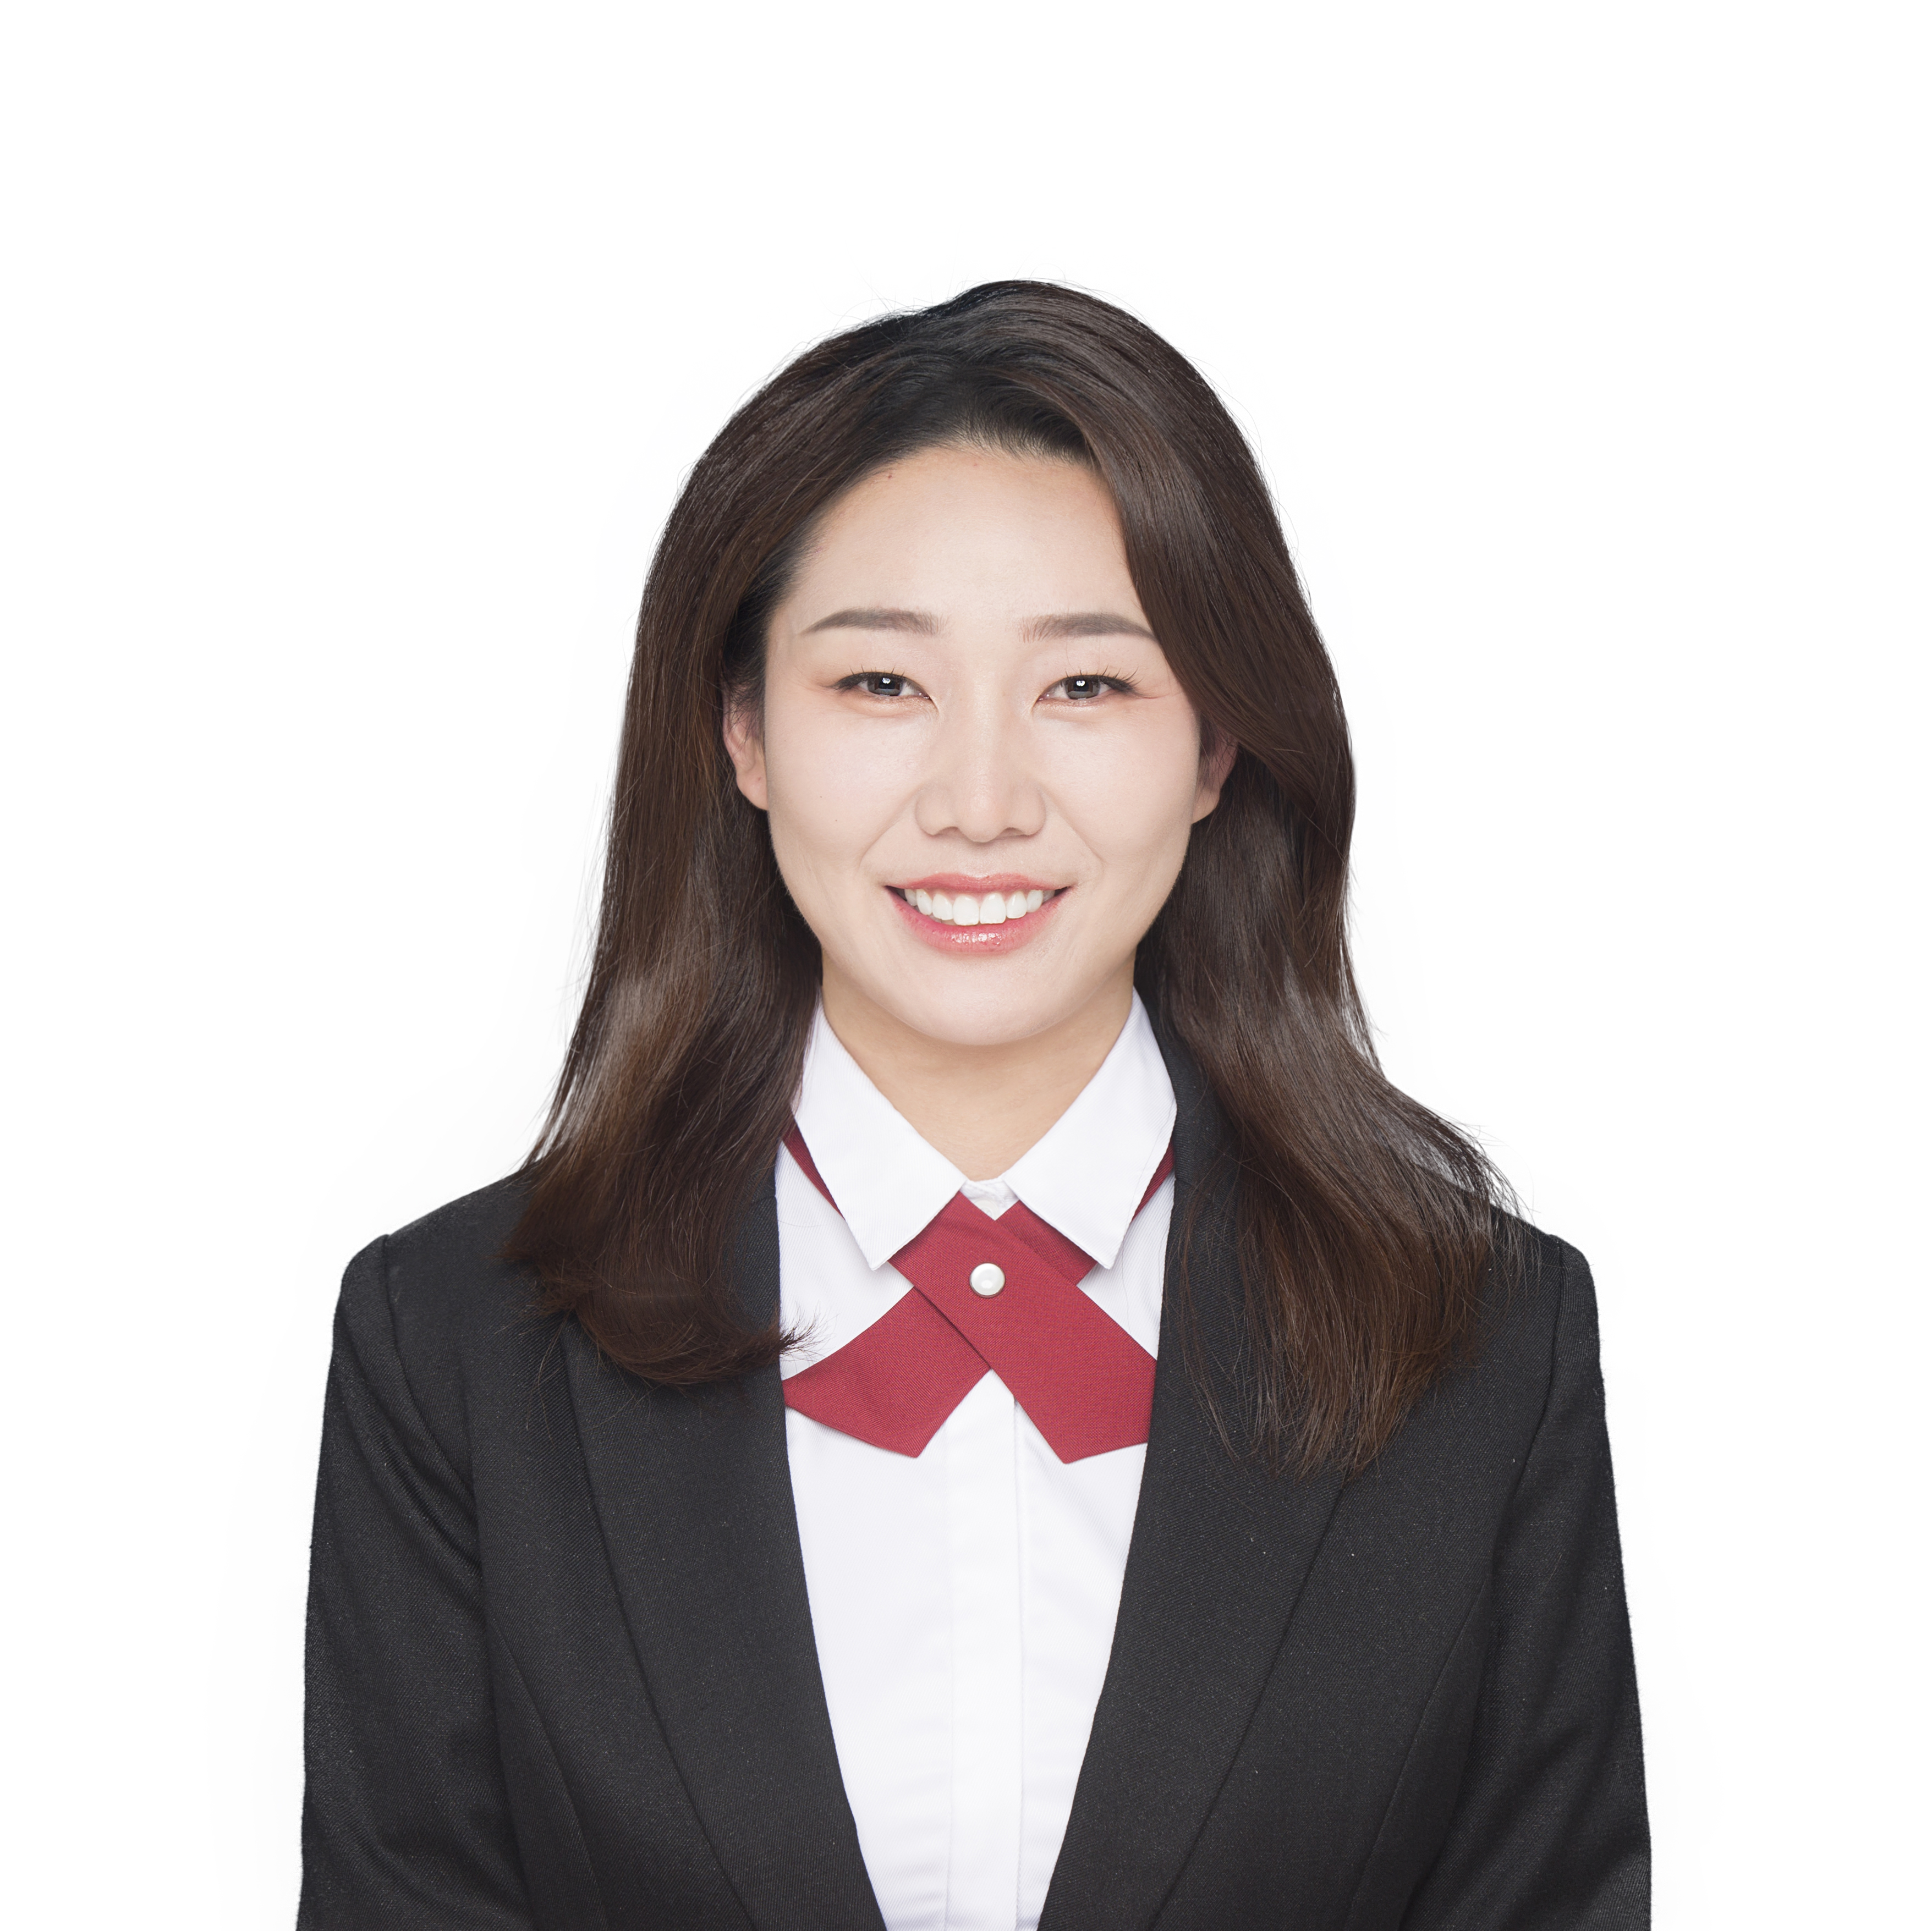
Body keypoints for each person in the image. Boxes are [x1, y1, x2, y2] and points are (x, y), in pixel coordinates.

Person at [299, 282, 1648, 1930]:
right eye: (882, 684)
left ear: (1216, 745)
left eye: (1087, 688)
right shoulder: (454, 1345)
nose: (983, 803)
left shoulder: (1484, 1341)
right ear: (744, 732)